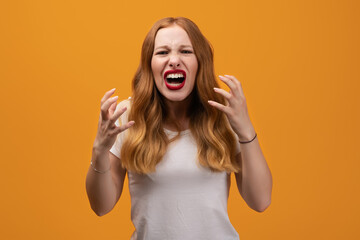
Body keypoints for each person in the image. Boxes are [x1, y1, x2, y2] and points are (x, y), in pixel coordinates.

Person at [86, 17, 272, 240]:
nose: (174, 60)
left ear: (199, 62)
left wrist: (245, 130)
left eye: (185, 51)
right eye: (162, 52)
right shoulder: (127, 115)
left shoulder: (224, 115)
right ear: (149, 64)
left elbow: (260, 201)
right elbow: (101, 206)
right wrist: (99, 151)